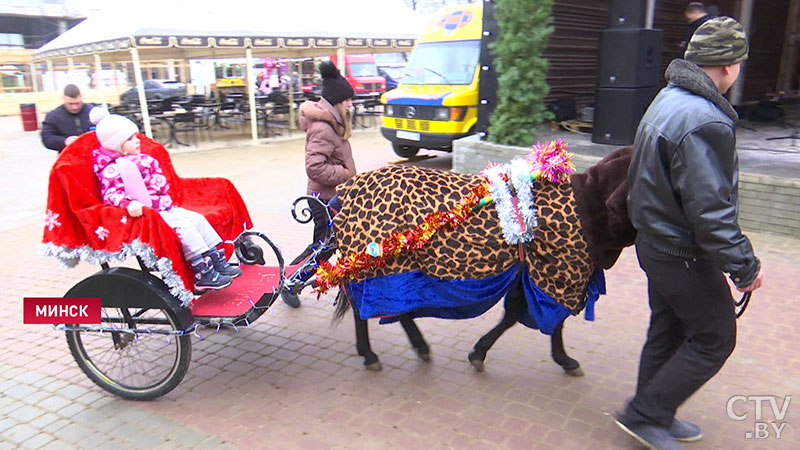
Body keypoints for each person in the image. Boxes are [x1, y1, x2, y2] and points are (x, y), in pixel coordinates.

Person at [616, 17, 764, 450]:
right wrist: (744, 267)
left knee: (668, 330)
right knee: (716, 338)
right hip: (681, 251)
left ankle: (649, 411)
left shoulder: (668, 98)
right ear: (728, 66)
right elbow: (711, 210)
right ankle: (646, 414)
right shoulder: (705, 119)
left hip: (655, 243)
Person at [92, 112, 243, 291]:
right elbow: (111, 193)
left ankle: (215, 257)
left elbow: (158, 183)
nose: (138, 140)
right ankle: (201, 271)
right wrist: (128, 203)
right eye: (131, 139)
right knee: (183, 227)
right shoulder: (112, 169)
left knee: (196, 219)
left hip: (164, 206)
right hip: (147, 214)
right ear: (118, 145)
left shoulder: (143, 160)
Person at [290, 61, 356, 267]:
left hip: (334, 197)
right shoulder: (323, 128)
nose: (350, 105)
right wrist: (344, 173)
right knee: (322, 247)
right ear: (337, 102)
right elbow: (314, 167)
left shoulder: (332, 125)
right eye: (347, 100)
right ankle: (291, 281)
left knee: (327, 244)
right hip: (324, 199)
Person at [41, 84, 93, 152]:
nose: (75, 107)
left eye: (77, 103)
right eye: (70, 104)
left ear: (81, 97)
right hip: (68, 157)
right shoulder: (54, 116)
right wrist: (64, 141)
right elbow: (47, 138)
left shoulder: (93, 112)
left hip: (93, 154)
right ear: (64, 99)